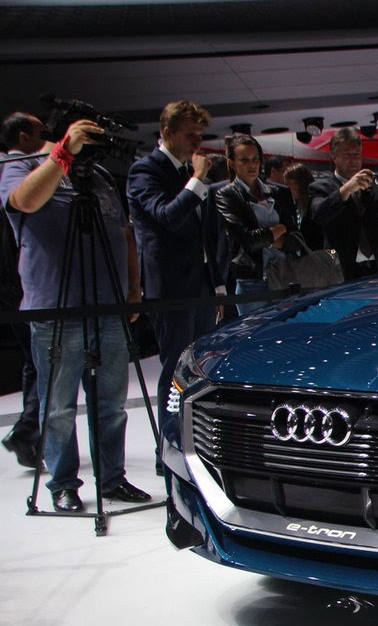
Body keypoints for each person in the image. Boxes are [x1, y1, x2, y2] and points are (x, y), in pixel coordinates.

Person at [1, 114, 150, 512]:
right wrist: (62, 155)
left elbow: (124, 232)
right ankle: (63, 484)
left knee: (111, 404)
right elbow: (24, 201)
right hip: (56, 306)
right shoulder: (23, 164)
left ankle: (112, 478)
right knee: (59, 407)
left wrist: (133, 287)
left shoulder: (98, 176)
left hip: (109, 303)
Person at [126, 100, 223, 446]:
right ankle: (168, 446)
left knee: (201, 367)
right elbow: (166, 216)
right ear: (166, 132)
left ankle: (195, 441)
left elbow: (208, 235)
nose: (197, 142)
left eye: (200, 135)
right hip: (170, 287)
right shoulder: (145, 170)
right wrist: (197, 180)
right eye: (189, 135)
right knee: (175, 369)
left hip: (201, 287)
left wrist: (217, 286)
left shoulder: (187, 172)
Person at [1, 111, 45, 469]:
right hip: (18, 280)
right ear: (23, 138)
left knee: (35, 362)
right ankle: (27, 430)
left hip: (13, 280)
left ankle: (30, 432)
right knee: (42, 360)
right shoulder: (15, 172)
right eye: (40, 133)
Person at [213, 134, 300, 315]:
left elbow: (296, 238)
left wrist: (265, 239)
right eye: (244, 160)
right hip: (252, 282)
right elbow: (248, 241)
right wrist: (279, 229)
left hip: (286, 276)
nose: (252, 165)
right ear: (231, 163)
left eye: (255, 159)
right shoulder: (226, 195)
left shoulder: (280, 192)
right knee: (256, 330)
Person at [308, 127, 378, 278]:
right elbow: (319, 215)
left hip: (377, 268)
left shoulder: (374, 187)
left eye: (357, 154)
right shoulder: (320, 187)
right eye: (347, 154)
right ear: (334, 157)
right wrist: (347, 189)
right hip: (342, 271)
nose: (353, 160)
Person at [284, 162, 323, 251]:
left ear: (297, 185)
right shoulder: (297, 205)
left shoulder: (314, 204)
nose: (286, 190)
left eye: (287, 186)